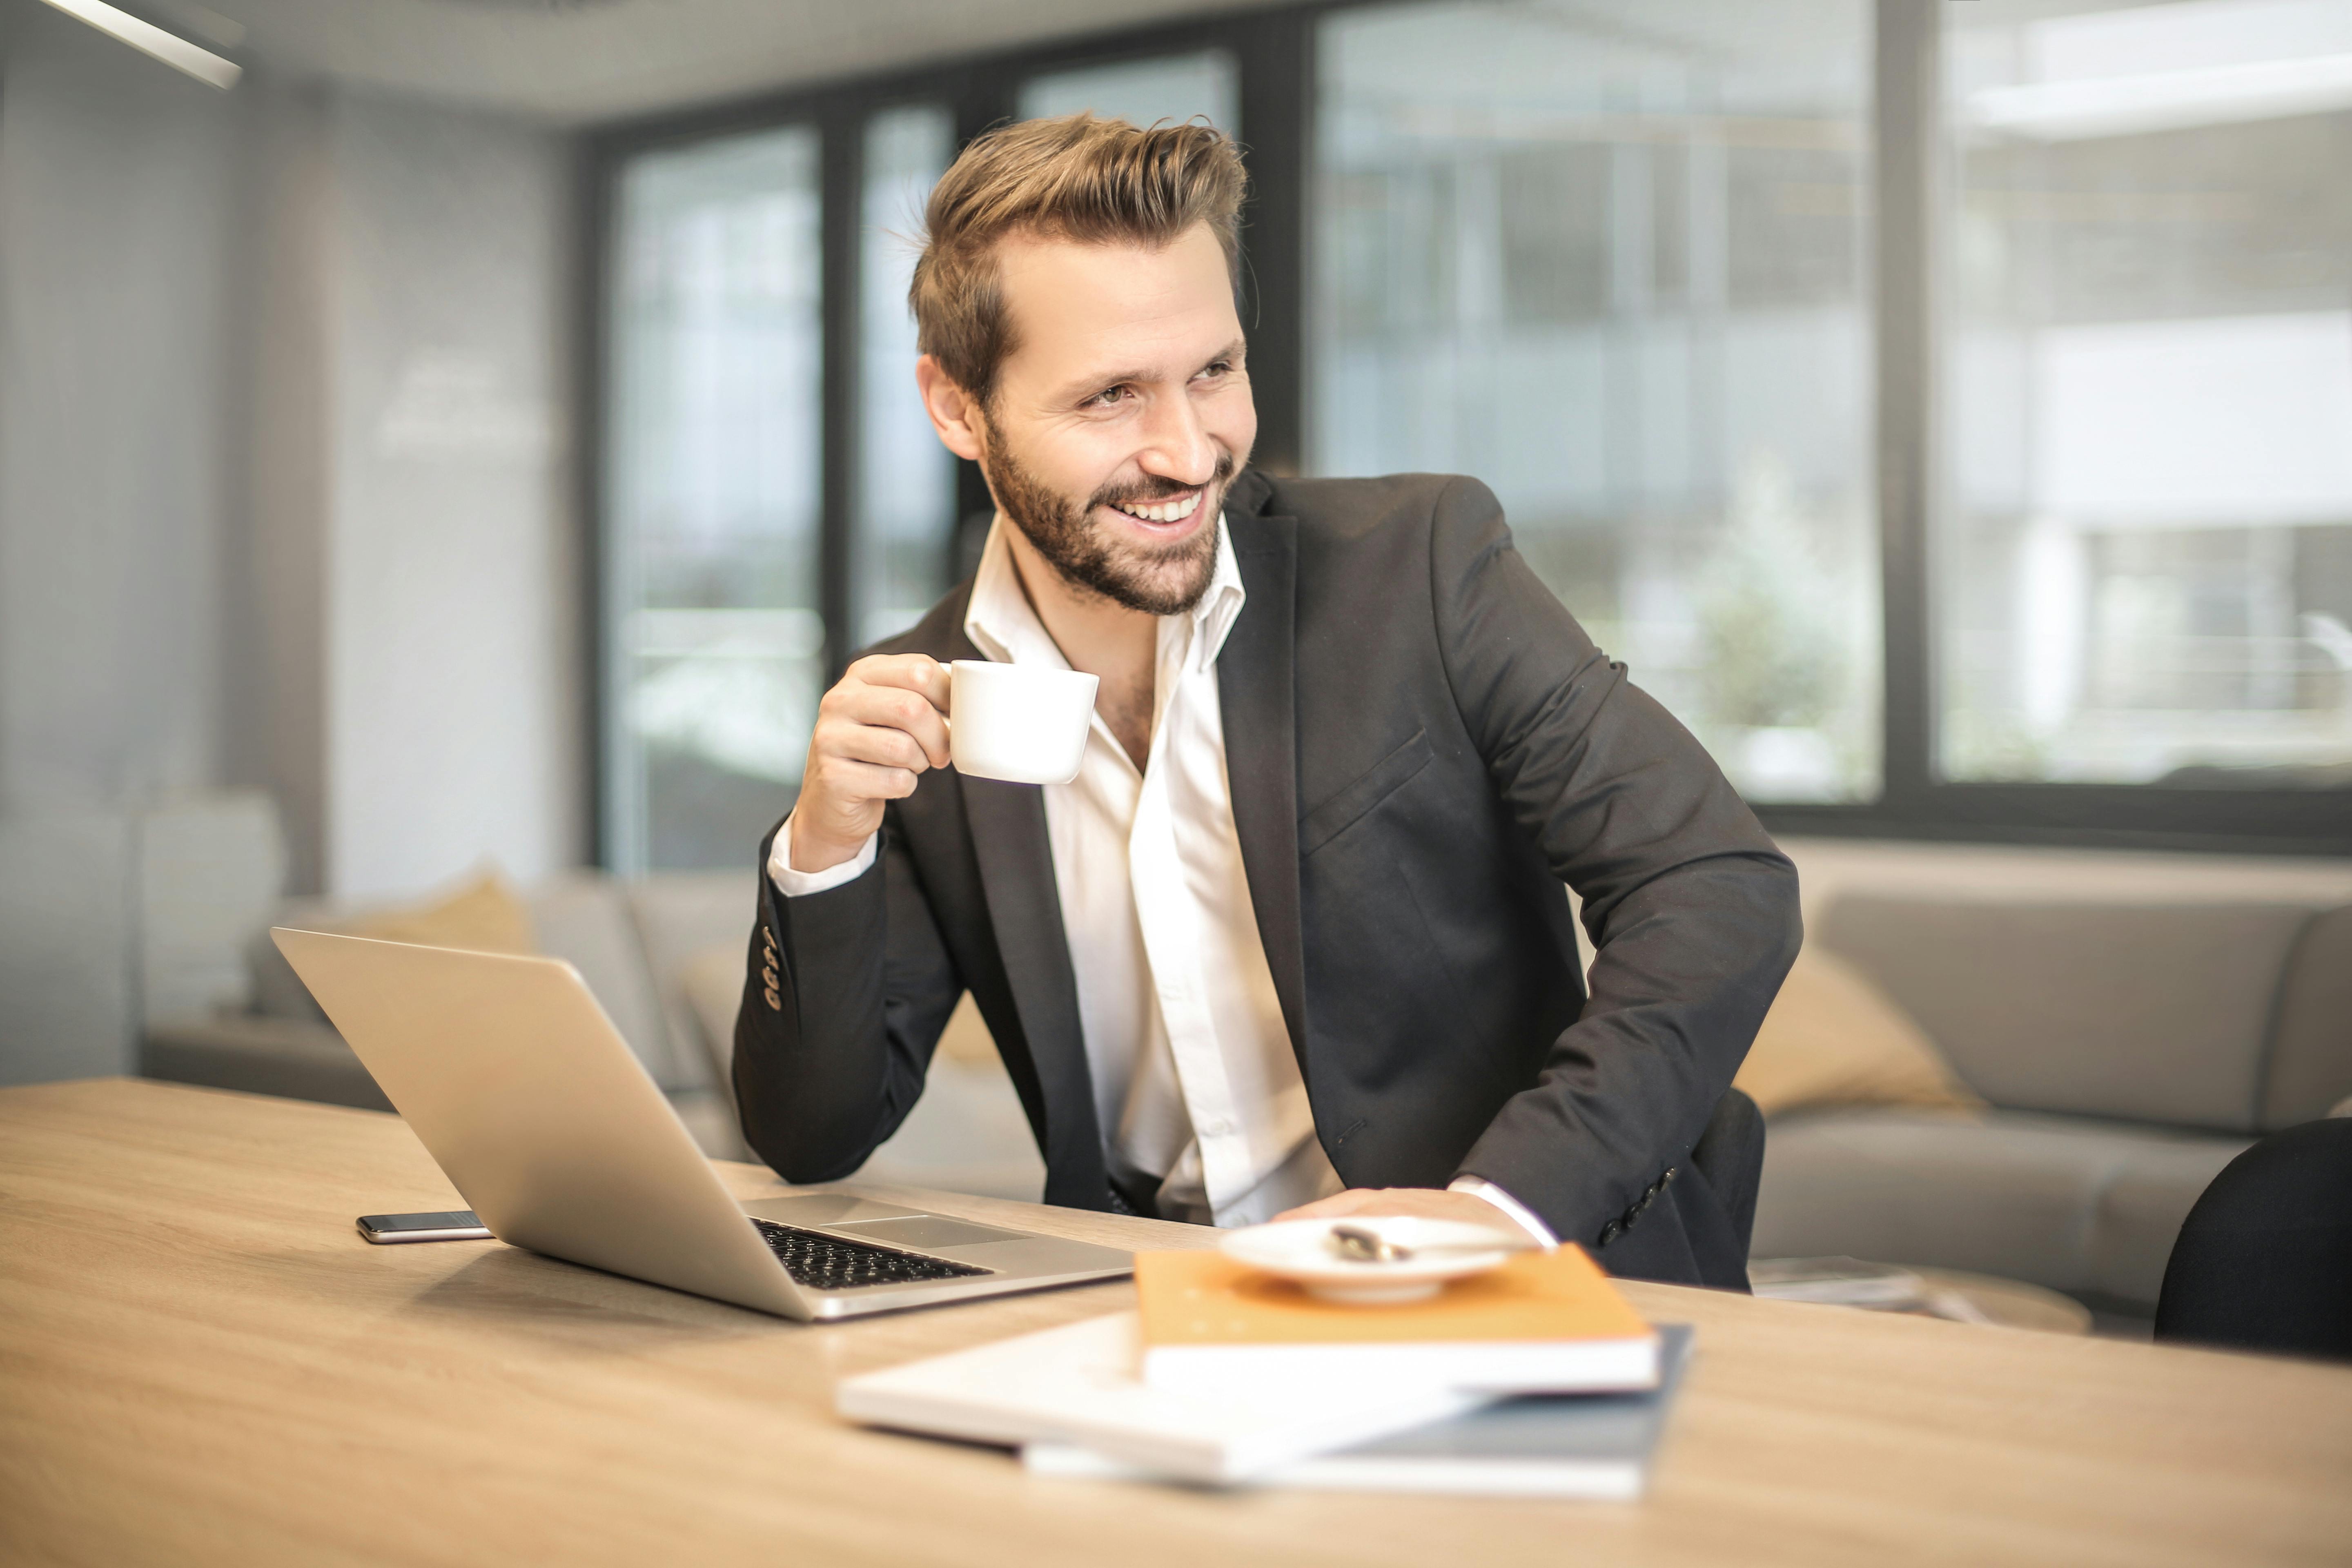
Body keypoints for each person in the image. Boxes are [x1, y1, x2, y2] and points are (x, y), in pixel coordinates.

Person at [732, 113, 1800, 1287]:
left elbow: (1713, 886)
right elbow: (813, 1136)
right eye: (1111, 398)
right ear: (958, 409)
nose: (1190, 451)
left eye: (1214, 372)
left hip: (1503, 1283)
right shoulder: (927, 699)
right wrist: (823, 847)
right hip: (1151, 1299)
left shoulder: (1422, 568)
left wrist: (1499, 1209)